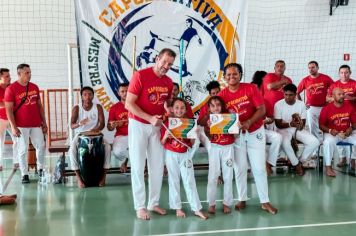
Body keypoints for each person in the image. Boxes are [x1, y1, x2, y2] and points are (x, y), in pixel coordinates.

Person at [218, 63, 277, 214]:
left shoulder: (251, 89)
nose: (232, 77)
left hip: (255, 132)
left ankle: (265, 201)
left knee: (258, 168)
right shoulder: (222, 96)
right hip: (236, 136)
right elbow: (217, 117)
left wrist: (249, 122)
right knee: (240, 168)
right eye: (229, 75)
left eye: (235, 74)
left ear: (240, 75)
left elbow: (262, 109)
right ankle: (242, 198)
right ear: (224, 78)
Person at [125, 48, 175, 220]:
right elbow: (129, 104)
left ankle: (153, 203)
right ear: (157, 58)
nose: (166, 66)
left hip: (157, 127)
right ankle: (140, 206)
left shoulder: (169, 82)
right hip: (138, 124)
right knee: (138, 166)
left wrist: (168, 109)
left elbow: (166, 103)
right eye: (164, 62)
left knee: (157, 167)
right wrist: (149, 118)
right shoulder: (140, 75)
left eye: (170, 64)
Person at [161, 97, 207, 220]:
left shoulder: (189, 123)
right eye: (176, 107)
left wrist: (195, 134)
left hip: (185, 154)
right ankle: (177, 208)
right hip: (171, 154)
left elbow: (191, 143)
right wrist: (165, 135)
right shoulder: (167, 123)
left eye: (182, 108)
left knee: (189, 180)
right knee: (174, 180)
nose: (179, 110)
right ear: (172, 109)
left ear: (186, 109)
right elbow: (162, 142)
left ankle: (196, 208)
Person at [4, 64, 47, 184]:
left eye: (30, 72)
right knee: (22, 150)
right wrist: (13, 126)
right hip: (21, 125)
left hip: (36, 124)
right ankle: (25, 174)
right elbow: (8, 110)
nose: (29, 74)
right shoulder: (11, 89)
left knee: (41, 146)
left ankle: (41, 169)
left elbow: (39, 106)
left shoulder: (34, 87)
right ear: (19, 74)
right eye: (27, 73)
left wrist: (44, 122)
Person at [69, 86, 111, 188]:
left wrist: (95, 130)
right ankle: (79, 178)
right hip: (80, 135)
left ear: (93, 96)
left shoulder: (98, 107)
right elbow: (72, 125)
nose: (87, 97)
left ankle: (103, 177)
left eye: (90, 94)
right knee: (71, 150)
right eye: (85, 94)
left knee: (108, 148)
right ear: (82, 96)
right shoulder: (77, 108)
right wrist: (79, 123)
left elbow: (102, 124)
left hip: (96, 134)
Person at [274, 84, 319, 175]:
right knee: (285, 142)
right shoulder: (278, 104)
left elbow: (302, 123)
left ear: (295, 95)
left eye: (290, 95)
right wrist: (290, 123)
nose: (288, 97)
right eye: (286, 94)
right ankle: (296, 165)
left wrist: (300, 124)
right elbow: (278, 124)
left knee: (315, 142)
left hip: (295, 129)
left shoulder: (301, 104)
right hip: (283, 129)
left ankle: (300, 161)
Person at [204, 96, 234, 214]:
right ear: (209, 108)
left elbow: (235, 136)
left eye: (218, 105)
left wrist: (236, 127)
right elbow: (209, 137)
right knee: (213, 176)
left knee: (228, 176)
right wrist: (209, 128)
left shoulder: (230, 118)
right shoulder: (209, 120)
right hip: (215, 148)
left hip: (228, 147)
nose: (216, 108)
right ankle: (211, 203)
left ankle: (227, 203)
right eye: (213, 106)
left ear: (222, 106)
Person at [251, 70, 282, 176]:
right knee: (259, 142)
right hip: (249, 132)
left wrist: (269, 120)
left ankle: (269, 164)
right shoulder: (246, 103)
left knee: (277, 137)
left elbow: (271, 118)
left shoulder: (265, 102)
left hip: (262, 129)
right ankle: (256, 165)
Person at [319, 88, 356, 177]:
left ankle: (353, 160)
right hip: (332, 134)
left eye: (343, 94)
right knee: (328, 142)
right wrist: (330, 130)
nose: (342, 96)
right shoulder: (326, 108)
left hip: (346, 134)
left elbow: (355, 123)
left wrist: (350, 128)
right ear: (333, 96)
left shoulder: (349, 106)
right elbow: (321, 125)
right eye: (339, 94)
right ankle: (328, 167)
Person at [297, 61, 334, 144]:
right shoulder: (305, 80)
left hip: (325, 107)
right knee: (313, 129)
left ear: (317, 68)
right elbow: (296, 92)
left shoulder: (325, 78)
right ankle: (315, 149)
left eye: (313, 67)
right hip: (311, 108)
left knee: (326, 127)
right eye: (309, 68)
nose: (311, 69)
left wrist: (331, 98)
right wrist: (302, 104)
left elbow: (335, 88)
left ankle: (325, 146)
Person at [326, 65, 356, 166]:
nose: (344, 74)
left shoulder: (354, 84)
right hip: (338, 114)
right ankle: (342, 158)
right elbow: (327, 98)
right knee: (340, 133)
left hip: (353, 113)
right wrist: (337, 99)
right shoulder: (334, 85)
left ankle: (353, 159)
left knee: (353, 134)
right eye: (342, 72)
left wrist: (351, 98)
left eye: (346, 72)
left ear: (350, 72)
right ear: (339, 73)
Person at [107, 83, 129, 173]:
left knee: (142, 150)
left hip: (136, 134)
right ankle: (126, 161)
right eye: (122, 91)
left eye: (127, 91)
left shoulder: (137, 105)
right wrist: (113, 125)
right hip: (121, 135)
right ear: (118, 93)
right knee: (117, 152)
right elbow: (109, 127)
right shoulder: (114, 108)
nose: (125, 93)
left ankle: (141, 166)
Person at [0, 68, 18, 171]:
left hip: (12, 118)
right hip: (1, 119)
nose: (9, 78)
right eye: (6, 76)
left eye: (9, 76)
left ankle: (16, 161)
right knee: (0, 142)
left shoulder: (11, 88)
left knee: (17, 140)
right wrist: (8, 105)